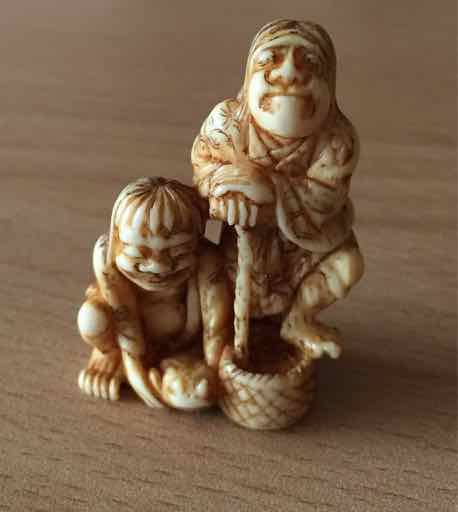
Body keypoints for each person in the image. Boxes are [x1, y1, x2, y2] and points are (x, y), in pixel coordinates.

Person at [191, 19, 364, 360]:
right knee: (211, 271)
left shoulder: (337, 140)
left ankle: (299, 320)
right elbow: (203, 165)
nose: (289, 74)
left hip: (302, 243)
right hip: (240, 241)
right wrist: (227, 191)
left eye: (309, 63)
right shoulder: (228, 122)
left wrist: (267, 188)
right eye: (271, 60)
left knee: (348, 264)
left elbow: (326, 198)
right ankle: (216, 336)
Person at [76, 177, 232, 408]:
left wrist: (216, 372)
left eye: (179, 253)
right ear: (117, 243)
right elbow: (125, 322)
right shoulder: (108, 263)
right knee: (92, 318)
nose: (159, 267)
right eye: (137, 254)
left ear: (197, 244)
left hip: (184, 343)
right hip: (128, 338)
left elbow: (216, 327)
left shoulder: (207, 262)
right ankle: (108, 356)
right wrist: (135, 372)